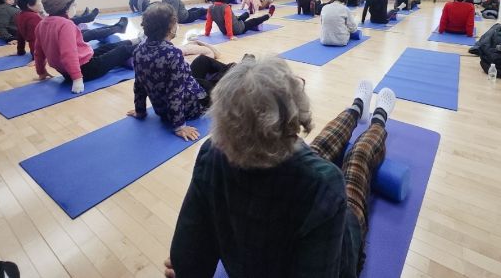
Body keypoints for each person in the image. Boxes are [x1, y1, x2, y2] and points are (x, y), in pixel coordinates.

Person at [167, 59, 396, 277]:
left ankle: (356, 108)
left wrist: (185, 265)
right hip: (334, 244)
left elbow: (187, 261)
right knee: (358, 159)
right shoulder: (324, 184)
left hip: (278, 208)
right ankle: (379, 119)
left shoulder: (211, 153)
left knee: (318, 149)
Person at [128, 3, 235, 141]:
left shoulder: (138, 50)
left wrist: (140, 111)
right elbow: (175, 93)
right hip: (190, 107)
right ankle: (237, 71)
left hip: (170, 102)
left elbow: (139, 84)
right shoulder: (173, 54)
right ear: (170, 27)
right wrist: (179, 126)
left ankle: (233, 68)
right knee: (219, 84)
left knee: (202, 60)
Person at [34, 0, 139, 93]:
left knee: (107, 47)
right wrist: (77, 78)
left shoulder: (42, 24)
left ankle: (137, 40)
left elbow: (38, 52)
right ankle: (145, 44)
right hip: (85, 70)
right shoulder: (66, 25)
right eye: (73, 5)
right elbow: (69, 54)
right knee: (122, 51)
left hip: (73, 68)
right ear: (66, 8)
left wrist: (41, 72)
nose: (75, 6)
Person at [15, 0, 128, 56]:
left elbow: (20, 34)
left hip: (59, 38)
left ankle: (114, 26)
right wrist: (35, 57)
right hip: (59, 42)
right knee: (91, 33)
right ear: (30, 5)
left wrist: (20, 50)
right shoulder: (33, 18)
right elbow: (34, 39)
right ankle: (116, 27)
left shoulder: (21, 15)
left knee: (88, 32)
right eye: (39, 1)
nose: (41, 4)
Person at [206, 0, 275, 39]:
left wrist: (207, 33)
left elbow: (208, 22)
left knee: (240, 17)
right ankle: (269, 15)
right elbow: (228, 23)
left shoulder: (210, 8)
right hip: (238, 30)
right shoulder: (226, 7)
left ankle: (249, 12)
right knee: (253, 21)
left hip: (224, 31)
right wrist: (230, 36)